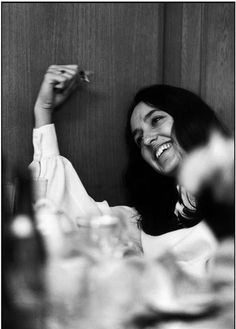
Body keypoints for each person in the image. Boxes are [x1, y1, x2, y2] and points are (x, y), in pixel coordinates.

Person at [29, 64, 229, 278]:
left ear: (189, 116)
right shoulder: (145, 223)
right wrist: (44, 109)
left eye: (156, 120)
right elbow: (65, 218)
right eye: (139, 138)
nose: (148, 139)